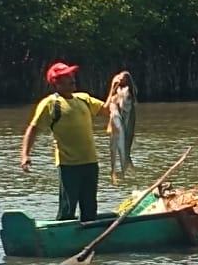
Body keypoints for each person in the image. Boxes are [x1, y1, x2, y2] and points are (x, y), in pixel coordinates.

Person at [20, 62, 123, 221]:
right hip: (69, 165)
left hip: (90, 162)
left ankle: (89, 231)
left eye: (71, 76)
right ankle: (61, 234)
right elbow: (33, 129)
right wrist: (25, 155)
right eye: (67, 77)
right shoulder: (50, 104)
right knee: (68, 208)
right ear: (57, 83)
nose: (72, 79)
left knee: (90, 207)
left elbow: (105, 110)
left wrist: (114, 87)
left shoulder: (83, 99)